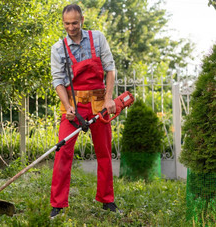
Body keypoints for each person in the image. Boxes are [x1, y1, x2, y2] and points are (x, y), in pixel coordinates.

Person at [50, 4, 120, 218]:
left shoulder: (97, 38)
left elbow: (110, 68)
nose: (70, 27)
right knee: (63, 152)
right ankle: (58, 205)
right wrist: (68, 106)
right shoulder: (58, 47)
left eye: (74, 23)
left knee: (104, 151)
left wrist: (108, 98)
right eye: (66, 23)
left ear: (82, 20)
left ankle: (107, 200)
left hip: (99, 102)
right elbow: (58, 81)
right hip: (73, 105)